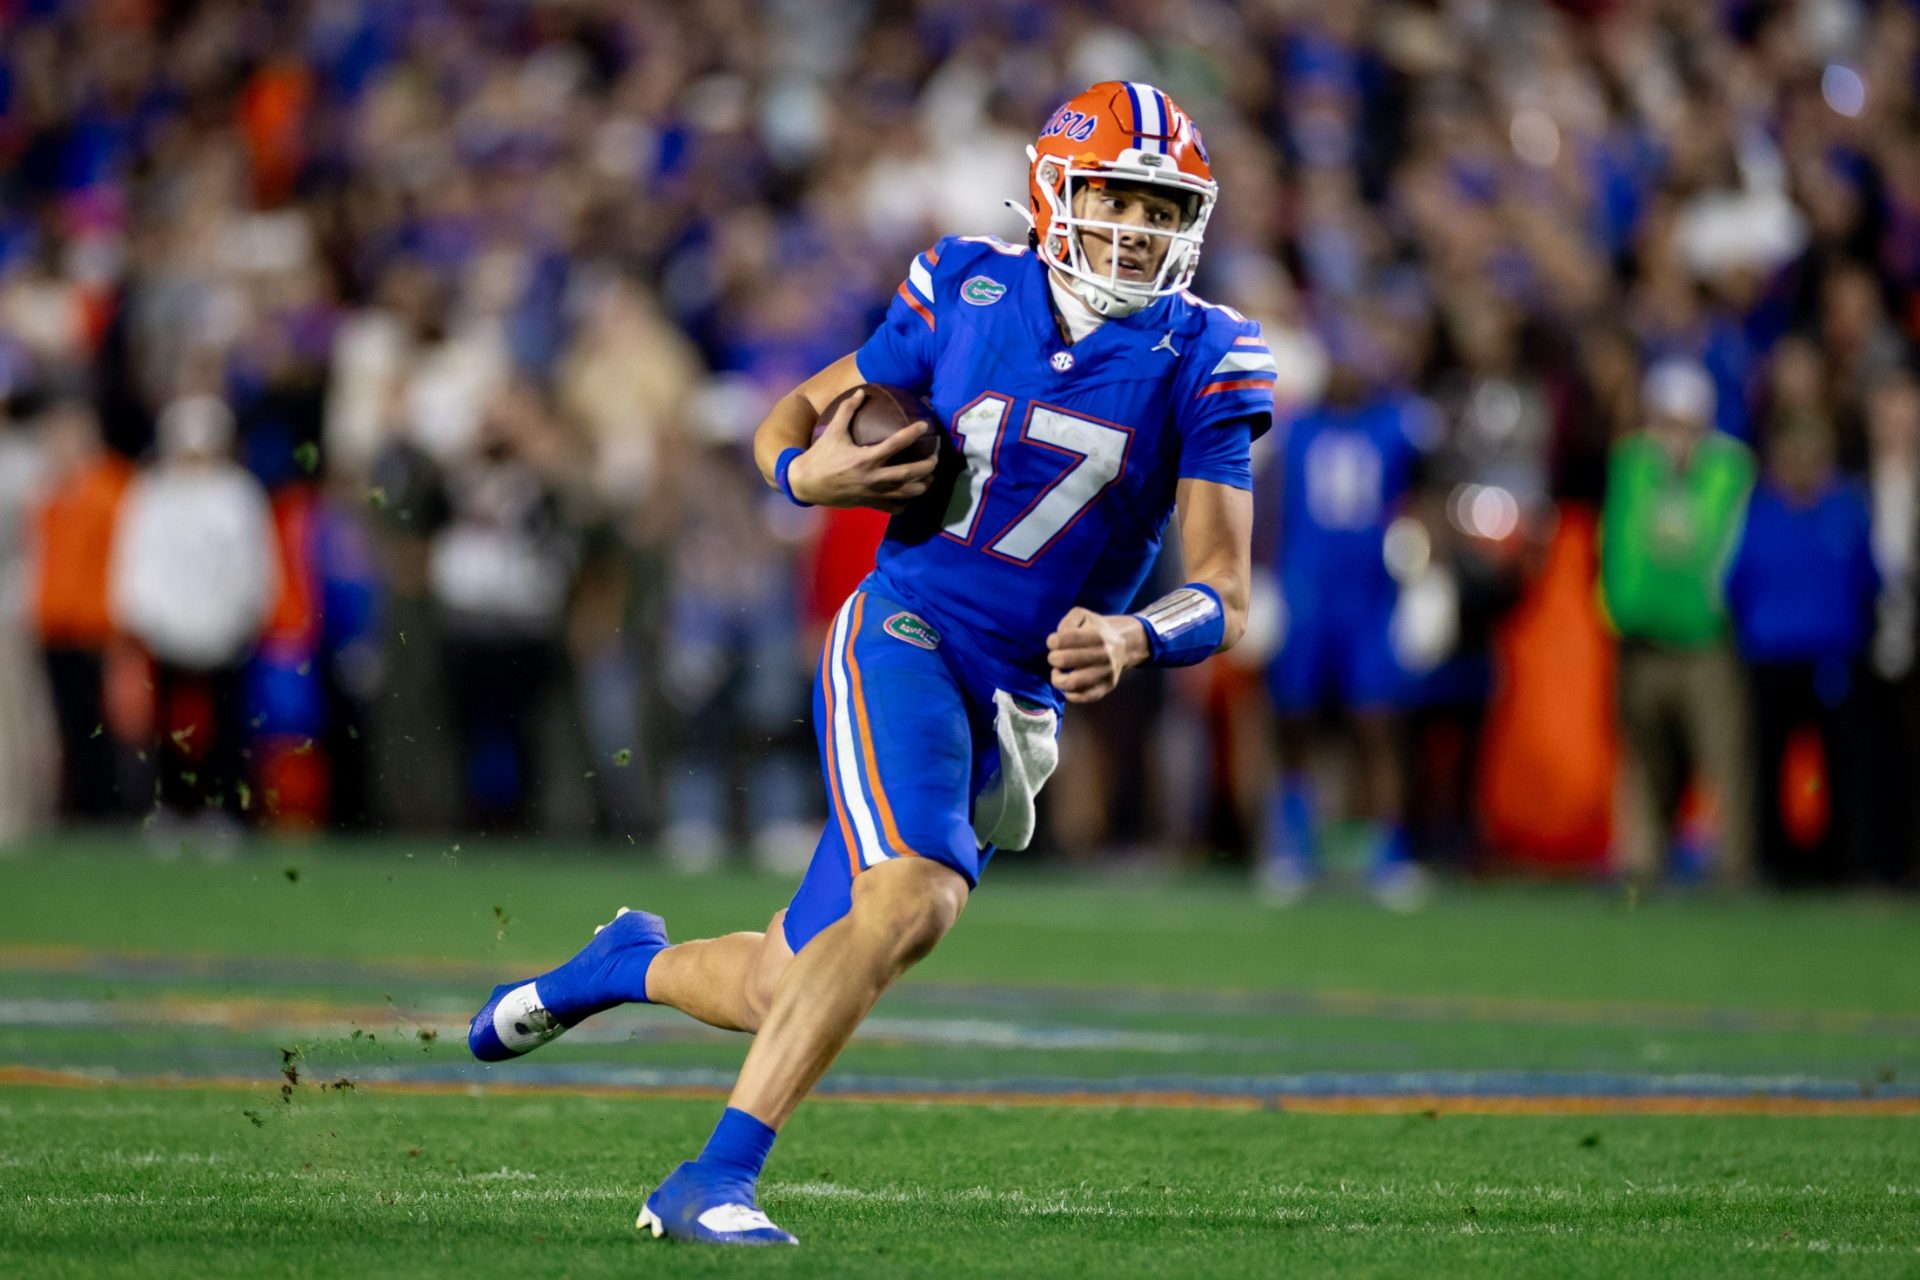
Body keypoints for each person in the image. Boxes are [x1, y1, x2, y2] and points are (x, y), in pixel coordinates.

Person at [464, 82, 1270, 1246]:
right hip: (905, 630)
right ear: (1056, 189)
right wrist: (806, 479)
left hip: (1015, 699)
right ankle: (710, 1177)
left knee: (775, 984)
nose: (1140, 226)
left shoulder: (1209, 353)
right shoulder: (965, 286)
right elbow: (790, 416)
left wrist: (1140, 631)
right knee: (916, 893)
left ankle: (617, 965)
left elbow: (1227, 592)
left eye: (1162, 205)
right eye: (1116, 194)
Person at [1599, 360, 1756, 885]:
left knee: (1721, 759)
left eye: (1684, 424)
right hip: (1642, 638)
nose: (1674, 438)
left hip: (1706, 640)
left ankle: (1731, 869)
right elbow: (1619, 546)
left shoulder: (1731, 470)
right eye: (1665, 422)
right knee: (1644, 763)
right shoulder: (1633, 466)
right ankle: (1639, 868)